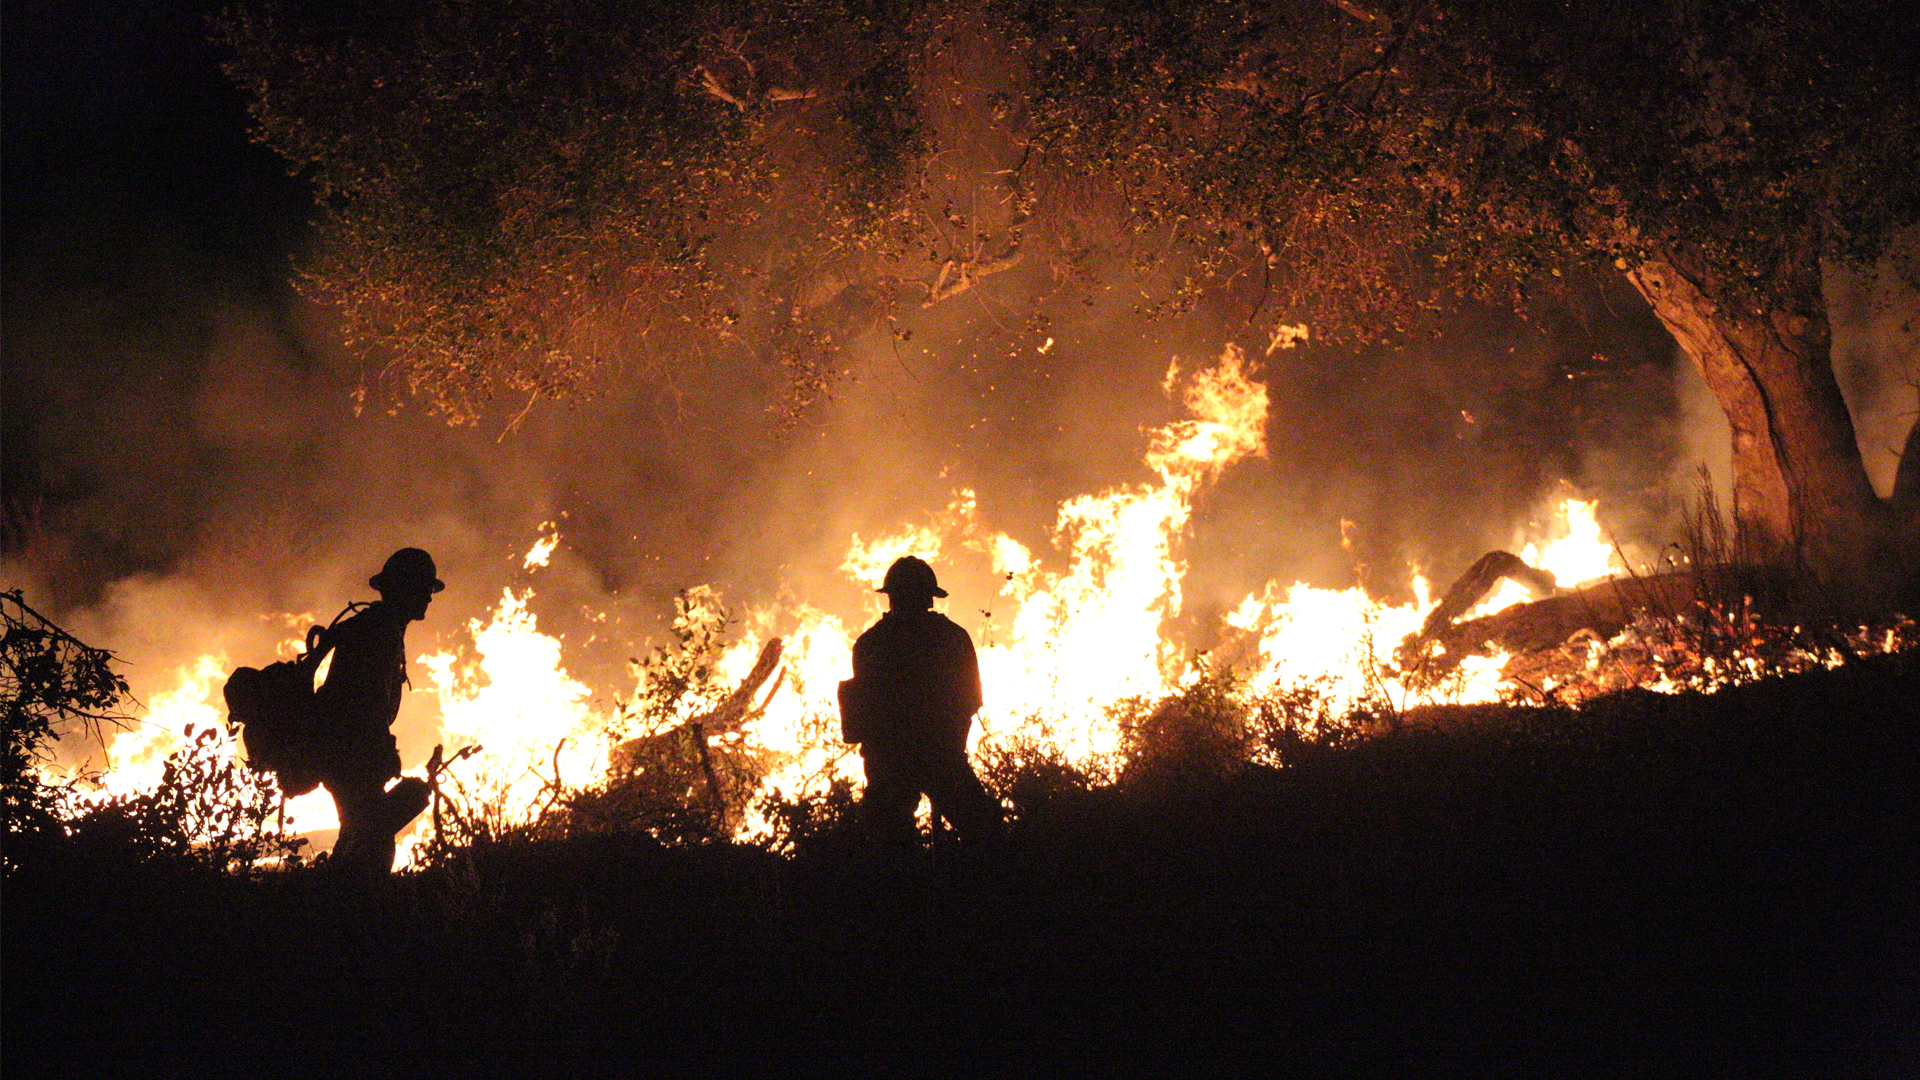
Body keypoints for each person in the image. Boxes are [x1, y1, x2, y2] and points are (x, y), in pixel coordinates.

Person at [842, 556, 1003, 862]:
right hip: (941, 757)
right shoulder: (952, 637)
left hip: (889, 765)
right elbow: (970, 701)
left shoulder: (870, 643)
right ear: (930, 597)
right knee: (986, 833)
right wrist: (950, 745)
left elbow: (862, 713)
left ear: (890, 597)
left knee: (889, 852)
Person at [314, 547, 438, 878]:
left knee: (360, 834)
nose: (428, 597)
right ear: (402, 589)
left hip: (347, 753)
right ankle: (355, 913)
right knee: (372, 844)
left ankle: (332, 899)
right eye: (423, 588)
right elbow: (361, 699)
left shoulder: (382, 628)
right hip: (349, 754)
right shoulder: (378, 633)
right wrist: (381, 751)